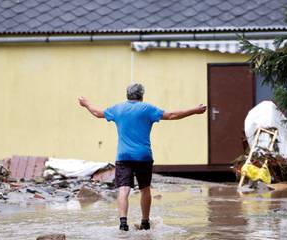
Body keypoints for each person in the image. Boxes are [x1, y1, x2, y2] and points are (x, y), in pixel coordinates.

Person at [78, 83, 207, 231]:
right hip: (143, 156)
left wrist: (86, 104)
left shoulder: (117, 109)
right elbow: (172, 115)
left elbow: (97, 113)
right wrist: (194, 110)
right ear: (142, 95)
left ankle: (123, 223)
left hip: (123, 156)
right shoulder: (147, 109)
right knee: (145, 189)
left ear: (127, 94)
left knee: (123, 189)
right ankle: (145, 222)